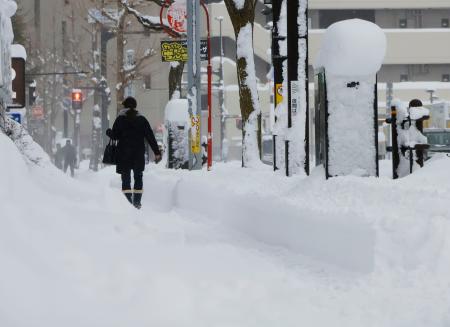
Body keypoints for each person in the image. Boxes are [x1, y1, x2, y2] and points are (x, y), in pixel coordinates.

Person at [106, 96, 162, 209]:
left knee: (125, 178)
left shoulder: (120, 119)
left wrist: (109, 132)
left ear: (125, 106)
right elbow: (150, 137)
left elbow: (115, 136)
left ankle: (127, 203)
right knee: (138, 177)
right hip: (138, 154)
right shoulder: (142, 119)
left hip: (124, 154)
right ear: (135, 106)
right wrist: (157, 152)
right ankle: (137, 202)